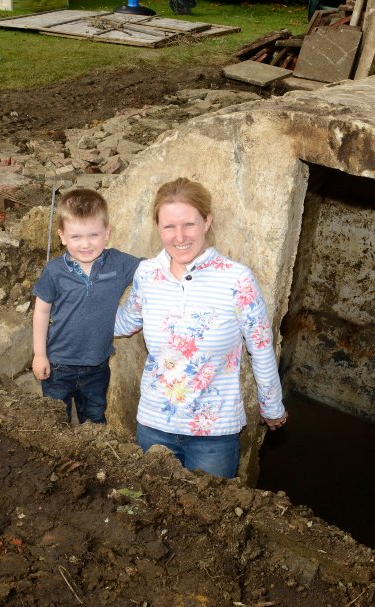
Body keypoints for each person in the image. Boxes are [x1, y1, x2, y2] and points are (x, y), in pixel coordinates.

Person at [115, 177, 288, 478]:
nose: (179, 236)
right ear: (158, 227)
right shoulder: (147, 274)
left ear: (207, 222)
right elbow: (127, 320)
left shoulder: (237, 279)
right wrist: (70, 317)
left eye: (189, 225)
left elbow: (260, 347)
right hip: (154, 425)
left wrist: (271, 406)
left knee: (207, 519)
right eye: (169, 226)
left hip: (214, 434)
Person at [32, 188, 141, 424]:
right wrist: (40, 355)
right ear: (61, 236)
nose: (85, 244)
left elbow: (152, 269)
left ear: (107, 232)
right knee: (54, 420)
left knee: (93, 419)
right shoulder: (54, 271)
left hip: (97, 365)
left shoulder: (119, 263)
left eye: (93, 235)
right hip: (58, 363)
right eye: (76, 237)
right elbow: (41, 311)